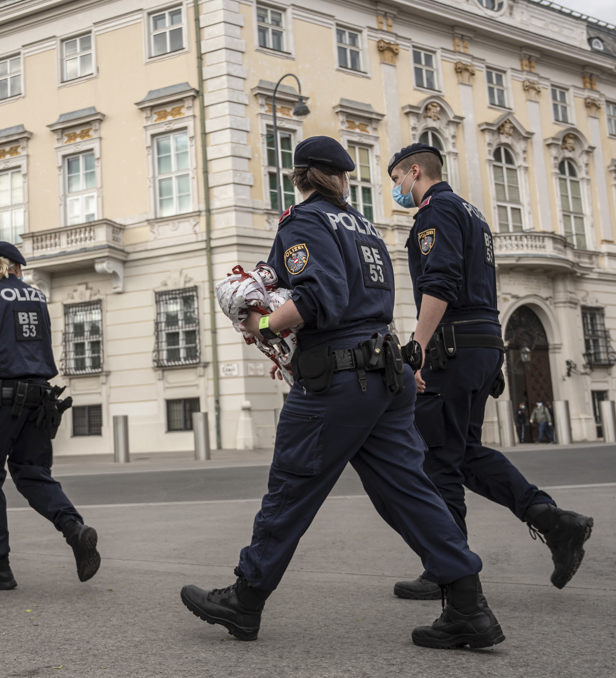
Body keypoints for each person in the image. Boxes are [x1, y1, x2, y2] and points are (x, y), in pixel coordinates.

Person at [180, 136, 505, 649]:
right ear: (343, 178)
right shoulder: (367, 229)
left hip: (337, 379)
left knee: (290, 489)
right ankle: (469, 606)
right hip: (386, 374)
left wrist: (261, 322)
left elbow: (312, 298)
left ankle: (244, 601)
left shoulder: (302, 222)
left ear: (299, 177)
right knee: (412, 493)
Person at [387, 143, 593, 600]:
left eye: (397, 180)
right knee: (466, 453)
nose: (396, 190)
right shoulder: (474, 215)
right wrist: (493, 351)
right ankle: (554, 522)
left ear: (415, 172)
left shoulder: (434, 213)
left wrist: (416, 349)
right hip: (480, 343)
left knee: (437, 458)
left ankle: (450, 570)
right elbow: (484, 284)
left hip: (452, 347)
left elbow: (438, 284)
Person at [0, 242, 99, 590]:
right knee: (32, 473)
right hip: (41, 400)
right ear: (17, 267)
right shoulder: (38, 298)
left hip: (2, 402)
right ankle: (73, 527)